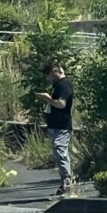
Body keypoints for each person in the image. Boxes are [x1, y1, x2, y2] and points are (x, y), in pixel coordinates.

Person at [36, 60, 75, 195]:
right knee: (59, 153)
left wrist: (47, 98)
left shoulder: (63, 85)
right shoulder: (57, 85)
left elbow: (61, 104)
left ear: (54, 72)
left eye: (48, 76)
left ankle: (67, 181)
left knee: (60, 152)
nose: (47, 79)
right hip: (55, 125)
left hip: (61, 126)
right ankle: (66, 181)